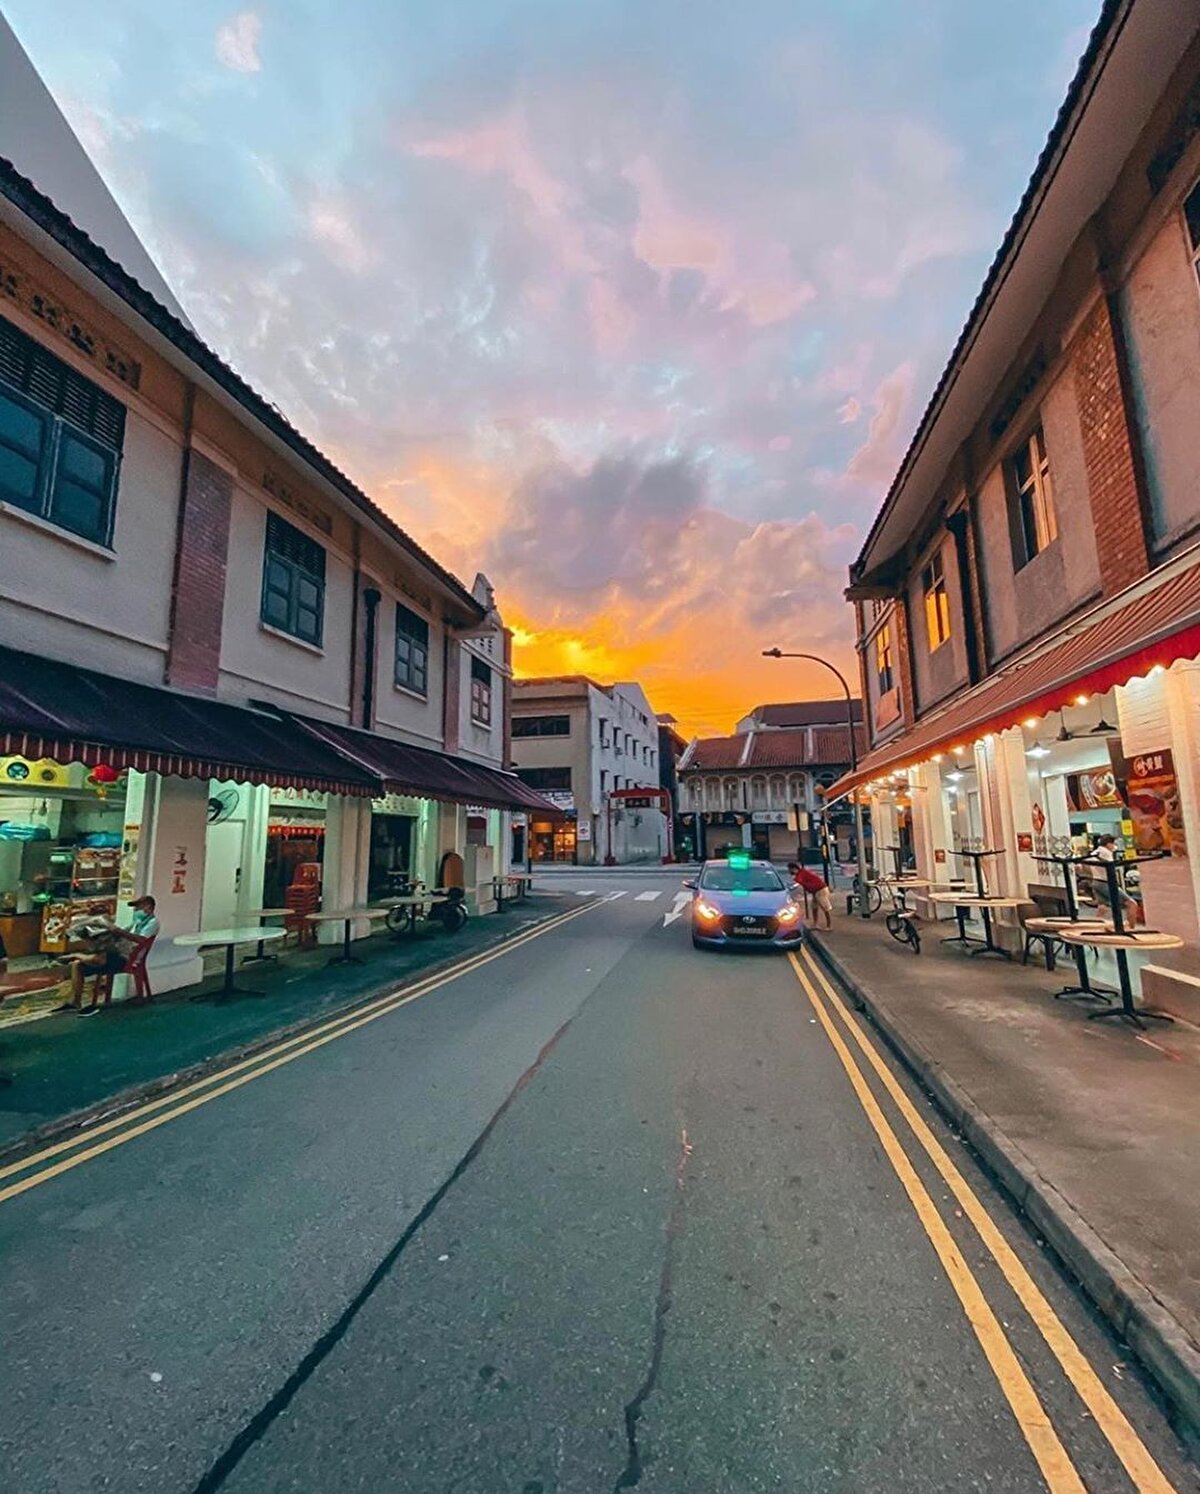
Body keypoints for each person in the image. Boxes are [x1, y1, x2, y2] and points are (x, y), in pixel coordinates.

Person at [59, 895, 160, 1015]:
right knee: (77, 965)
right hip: (117, 952)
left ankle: (75, 954)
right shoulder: (135, 923)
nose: (136, 910)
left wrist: (117, 931)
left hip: (128, 958)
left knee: (100, 958)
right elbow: (122, 934)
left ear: (148, 906)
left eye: (138, 907)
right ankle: (75, 1002)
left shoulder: (153, 923)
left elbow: (140, 940)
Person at [1087, 836, 1141, 925]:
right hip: (1106, 883)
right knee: (1131, 903)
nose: (1114, 846)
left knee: (1103, 907)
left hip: (1096, 881)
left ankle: (1096, 927)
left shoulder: (1095, 852)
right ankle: (1130, 927)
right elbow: (1111, 865)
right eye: (1113, 843)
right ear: (1108, 844)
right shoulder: (1106, 852)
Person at [787, 860, 833, 930]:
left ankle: (829, 925)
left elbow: (800, 883)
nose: (790, 871)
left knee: (825, 907)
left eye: (791, 869)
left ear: (794, 868)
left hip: (820, 890)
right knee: (814, 907)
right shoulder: (801, 873)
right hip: (815, 891)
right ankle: (815, 924)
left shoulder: (800, 874)